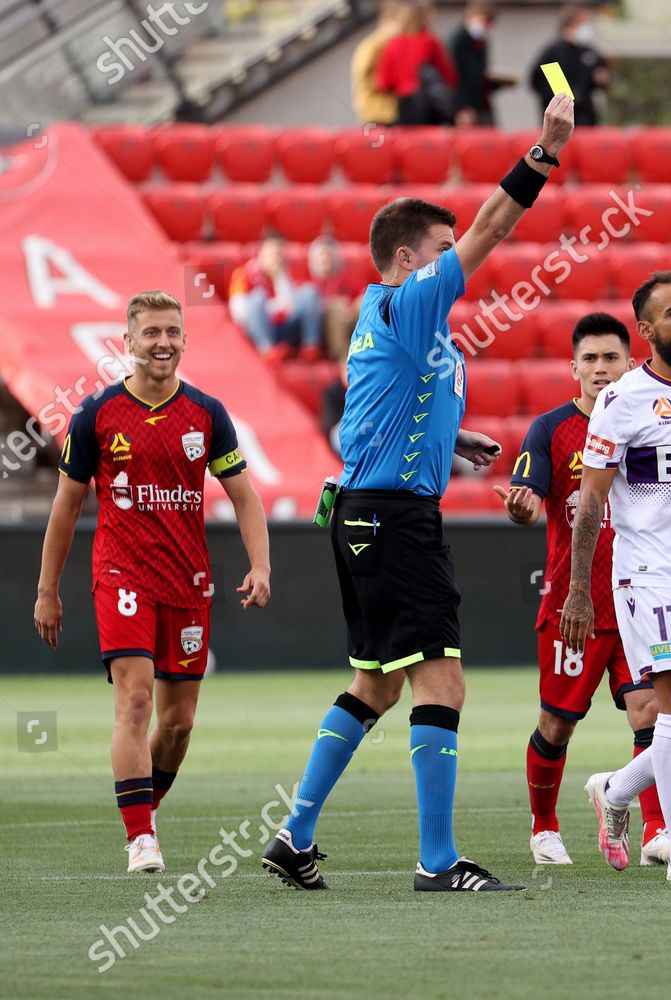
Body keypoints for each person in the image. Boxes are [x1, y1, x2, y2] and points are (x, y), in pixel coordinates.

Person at [261, 94, 577, 893]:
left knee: (378, 681)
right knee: (441, 677)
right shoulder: (410, 303)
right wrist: (544, 152)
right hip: (394, 519)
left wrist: (453, 438)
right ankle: (437, 860)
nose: (453, 258)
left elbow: (383, 407)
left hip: (368, 510)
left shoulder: (390, 319)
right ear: (407, 259)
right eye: (440, 248)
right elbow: (493, 228)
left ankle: (293, 835)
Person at [33, 290, 271, 874]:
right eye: (151, 333)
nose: (162, 342)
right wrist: (47, 590)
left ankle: (145, 807)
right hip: (121, 575)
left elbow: (244, 496)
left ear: (184, 339)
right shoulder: (96, 415)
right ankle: (140, 837)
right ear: (130, 341)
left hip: (188, 581)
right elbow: (65, 508)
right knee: (134, 700)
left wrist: (260, 564)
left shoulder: (207, 415)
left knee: (179, 722)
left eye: (172, 331)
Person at [563, 271, 671, 882]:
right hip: (645, 575)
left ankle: (615, 789)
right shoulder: (621, 399)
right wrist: (580, 589)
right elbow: (589, 502)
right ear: (646, 331)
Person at [502, 311, 671, 868]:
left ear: (631, 362)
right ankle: (544, 826)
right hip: (574, 604)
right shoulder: (551, 430)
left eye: (612, 358)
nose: (601, 369)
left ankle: (653, 829)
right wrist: (522, 507)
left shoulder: (652, 421)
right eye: (591, 359)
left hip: (639, 600)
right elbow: (527, 501)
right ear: (573, 366)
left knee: (650, 712)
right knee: (557, 721)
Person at [227, 235, 323, 363]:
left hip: (285, 326)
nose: (276, 257)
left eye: (280, 253)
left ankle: (310, 347)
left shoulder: (285, 272)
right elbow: (239, 309)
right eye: (273, 252)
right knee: (258, 297)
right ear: (262, 252)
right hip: (260, 328)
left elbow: (291, 305)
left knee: (309, 292)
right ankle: (267, 350)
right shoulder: (244, 273)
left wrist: (279, 277)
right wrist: (273, 308)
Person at [376, 3, 458, 127]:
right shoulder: (430, 41)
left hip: (404, 104)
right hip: (429, 104)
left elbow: (383, 82)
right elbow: (448, 75)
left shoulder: (393, 44)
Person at [530, 5, 609, 127]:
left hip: (585, 117)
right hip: (560, 120)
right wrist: (566, 96)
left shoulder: (588, 52)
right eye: (583, 23)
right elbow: (537, 83)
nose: (586, 28)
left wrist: (601, 80)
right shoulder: (553, 52)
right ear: (570, 24)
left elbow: (600, 78)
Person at [449, 2, 512, 127]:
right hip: (465, 107)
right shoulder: (458, 41)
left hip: (480, 104)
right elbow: (454, 76)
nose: (487, 27)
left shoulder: (480, 41)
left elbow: (477, 73)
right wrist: (462, 107)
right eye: (485, 22)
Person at [351, 1, 407, 125]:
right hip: (381, 115)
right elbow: (378, 82)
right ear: (386, 20)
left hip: (383, 113)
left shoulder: (381, 44)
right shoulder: (377, 47)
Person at [307, 237, 363, 361]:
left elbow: (360, 296)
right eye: (323, 258)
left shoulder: (346, 282)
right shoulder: (310, 286)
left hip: (347, 323)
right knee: (335, 306)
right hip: (322, 327)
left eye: (330, 257)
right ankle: (343, 359)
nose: (327, 261)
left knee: (364, 302)